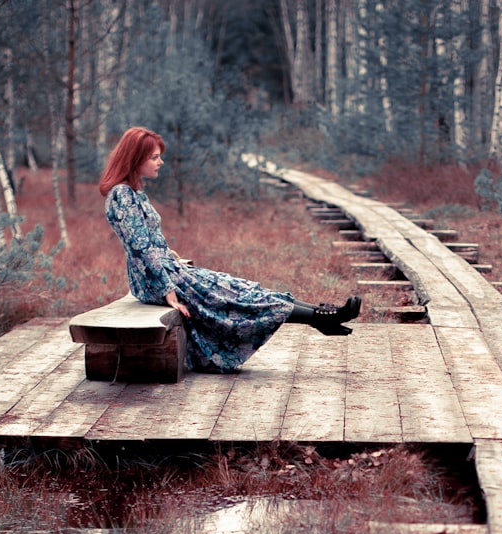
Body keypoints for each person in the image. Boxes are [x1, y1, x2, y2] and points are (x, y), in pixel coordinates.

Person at [99, 127, 362, 373]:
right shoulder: (122, 195)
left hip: (168, 271)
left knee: (246, 290)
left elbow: (149, 239)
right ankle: (320, 318)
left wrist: (172, 255)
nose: (161, 162)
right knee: (237, 299)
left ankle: (320, 316)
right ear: (136, 158)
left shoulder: (134, 192)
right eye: (155, 157)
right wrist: (168, 291)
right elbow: (141, 248)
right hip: (156, 281)